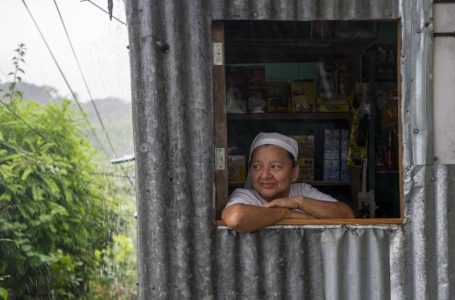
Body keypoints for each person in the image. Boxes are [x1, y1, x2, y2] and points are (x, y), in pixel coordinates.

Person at [222, 132, 354, 233]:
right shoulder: (246, 196)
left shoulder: (302, 191)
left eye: (275, 166)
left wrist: (299, 202)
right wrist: (286, 213)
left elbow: (347, 215)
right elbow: (235, 217)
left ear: (295, 172)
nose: (265, 175)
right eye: (257, 166)